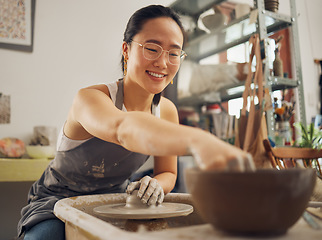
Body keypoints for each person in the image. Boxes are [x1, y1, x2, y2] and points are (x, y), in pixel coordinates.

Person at [17, 5, 254, 240]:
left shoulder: (166, 111)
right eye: (152, 48)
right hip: (57, 203)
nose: (163, 63)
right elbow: (123, 129)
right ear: (126, 50)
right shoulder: (90, 99)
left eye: (173, 53)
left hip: (117, 202)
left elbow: (168, 172)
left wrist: (156, 184)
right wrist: (201, 140)